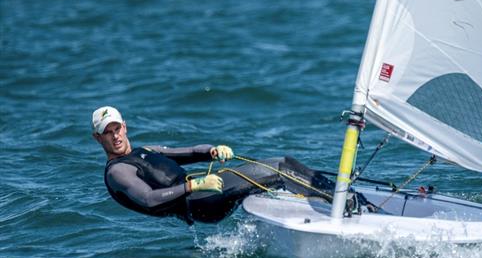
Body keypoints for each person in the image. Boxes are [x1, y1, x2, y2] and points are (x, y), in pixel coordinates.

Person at [93, 106, 335, 224]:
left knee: (278, 171)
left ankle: (323, 200)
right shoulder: (118, 171)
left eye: (117, 129)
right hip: (199, 200)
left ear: (124, 126)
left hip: (205, 191)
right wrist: (193, 186)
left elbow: (187, 152)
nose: (115, 136)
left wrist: (212, 151)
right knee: (280, 167)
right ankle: (341, 202)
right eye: (107, 133)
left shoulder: (144, 151)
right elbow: (149, 199)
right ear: (98, 138)